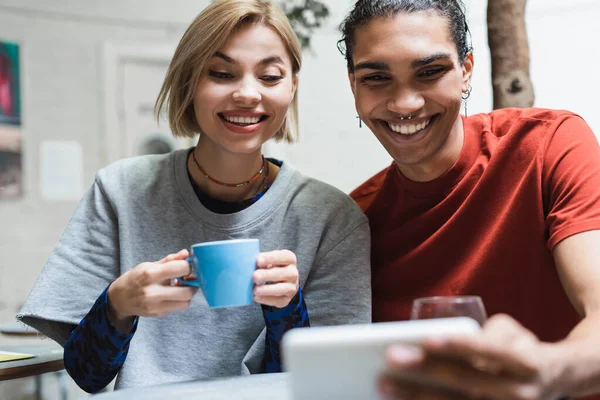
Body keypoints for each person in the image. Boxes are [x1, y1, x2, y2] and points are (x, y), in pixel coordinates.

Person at [17, 0, 371, 393]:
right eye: (222, 73)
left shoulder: (332, 218)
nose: (248, 94)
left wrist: (287, 309)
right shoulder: (119, 191)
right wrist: (119, 303)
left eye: (270, 76)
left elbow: (324, 388)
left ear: (292, 87)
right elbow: (88, 373)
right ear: (189, 81)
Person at [339, 0, 600, 399]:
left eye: (429, 72)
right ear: (354, 85)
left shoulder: (550, 145)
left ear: (466, 71)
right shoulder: (355, 220)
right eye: (377, 78)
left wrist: (547, 372)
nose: (404, 103)